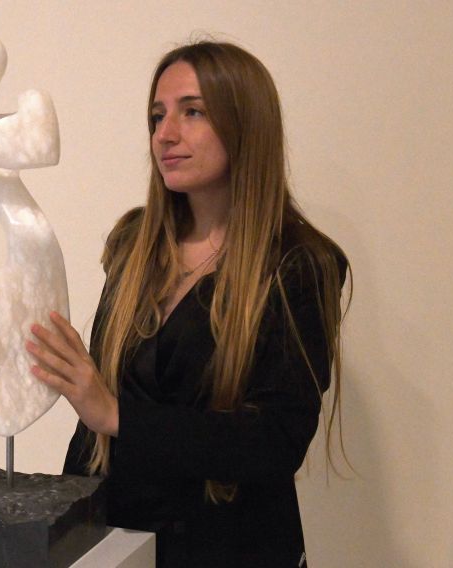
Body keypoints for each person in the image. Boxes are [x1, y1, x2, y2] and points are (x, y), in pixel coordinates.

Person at [26, 39, 349, 568]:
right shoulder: (135, 244)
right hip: (121, 542)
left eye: (192, 112)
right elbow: (95, 424)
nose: (165, 134)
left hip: (230, 550)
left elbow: (274, 442)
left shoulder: (299, 264)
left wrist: (117, 415)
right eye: (158, 116)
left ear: (246, 124)